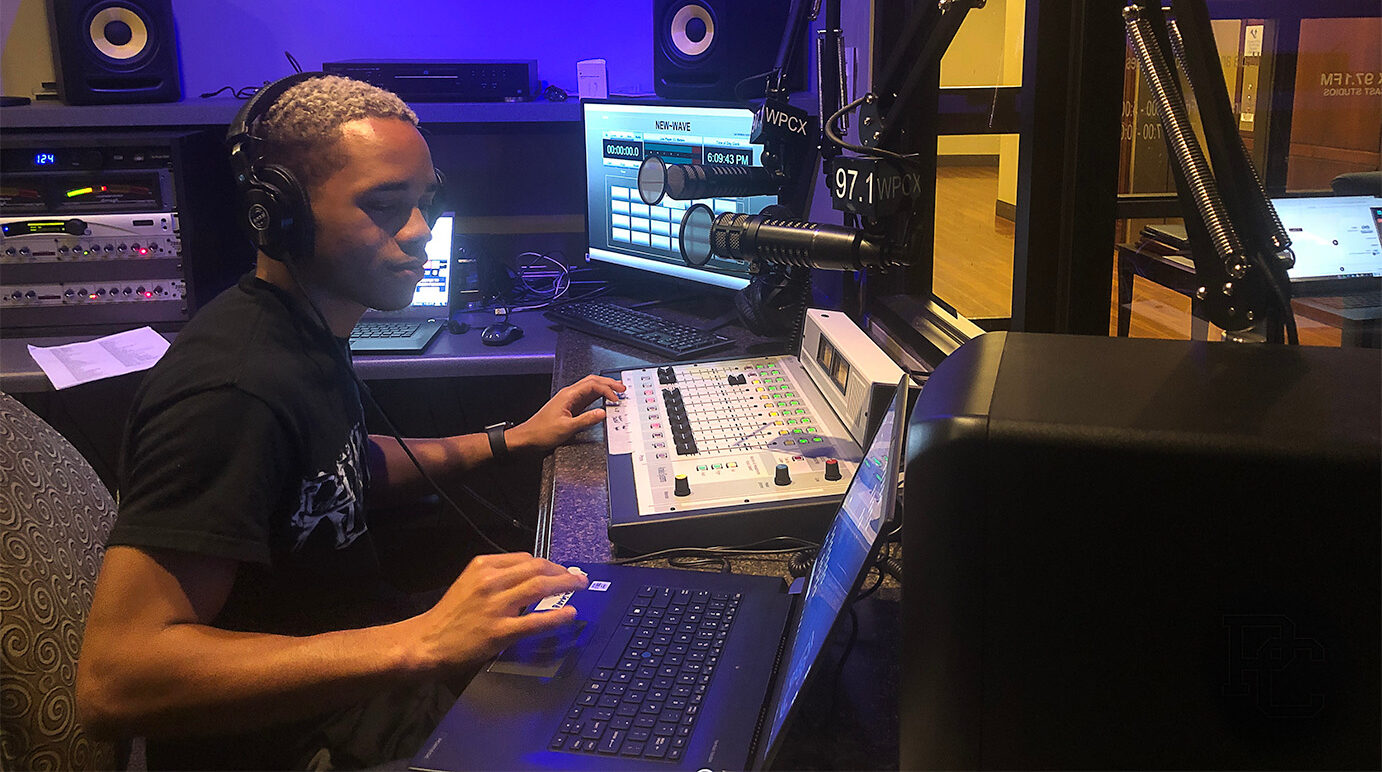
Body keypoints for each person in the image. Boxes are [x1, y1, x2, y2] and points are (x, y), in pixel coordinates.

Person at [76, 74, 625, 770]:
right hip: (306, 740)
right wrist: (421, 642)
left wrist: (511, 437)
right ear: (280, 217)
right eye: (386, 206)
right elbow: (114, 680)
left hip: (365, 677)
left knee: (606, 640)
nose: (422, 230)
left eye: (426, 201)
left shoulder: (304, 330)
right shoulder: (232, 392)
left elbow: (341, 469)